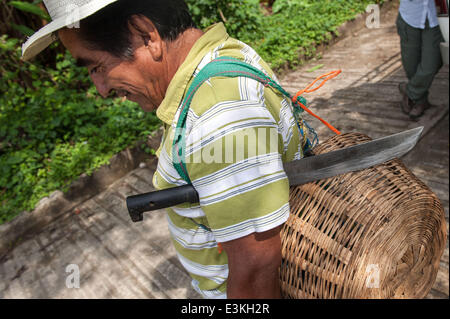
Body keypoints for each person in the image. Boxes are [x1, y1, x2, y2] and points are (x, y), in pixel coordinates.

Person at [22, 0, 312, 298]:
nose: (101, 89)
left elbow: (255, 271)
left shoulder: (216, 115)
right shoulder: (222, 55)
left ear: (145, 35)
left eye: (97, 67)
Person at [396, 0, 444, 120]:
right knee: (411, 65)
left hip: (435, 19)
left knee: (431, 64)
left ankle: (410, 91)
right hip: (410, 17)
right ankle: (421, 101)